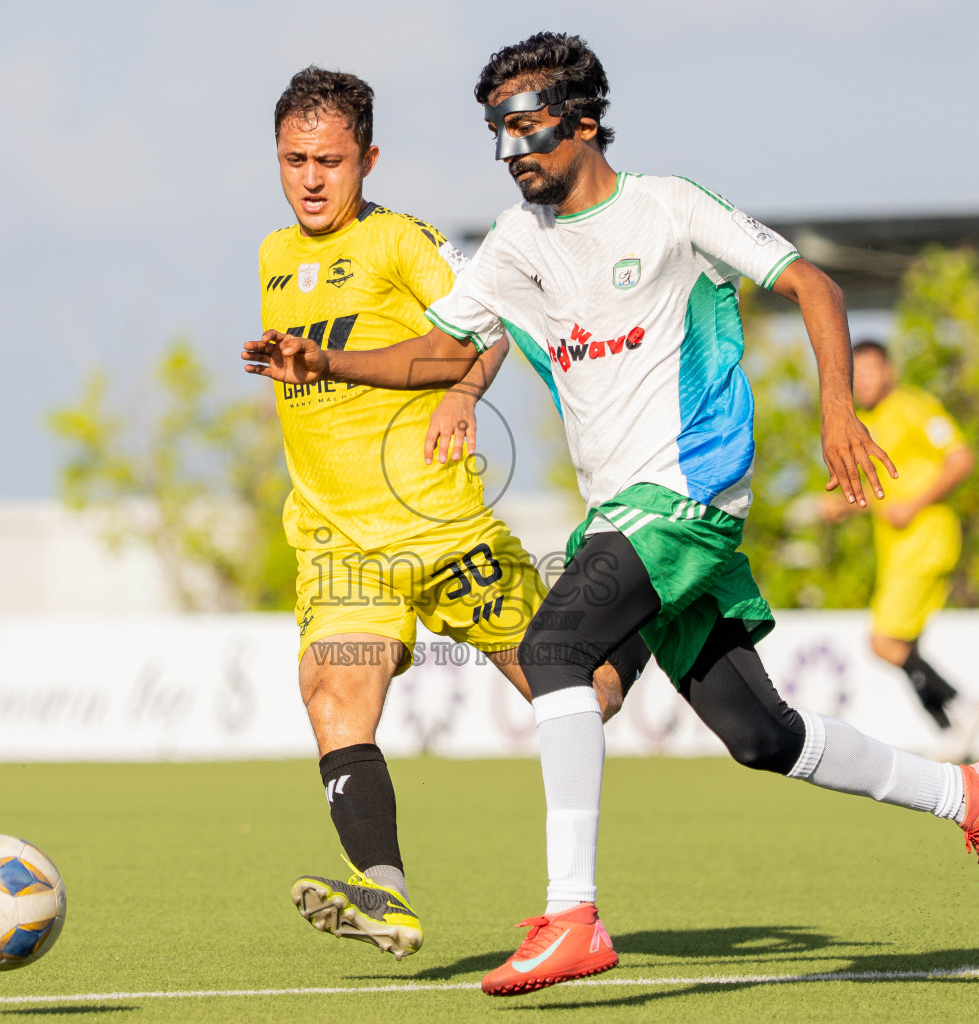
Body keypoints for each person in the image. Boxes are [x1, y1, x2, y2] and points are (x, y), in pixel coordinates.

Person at [245, 34, 979, 997]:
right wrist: (328, 364)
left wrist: (838, 410)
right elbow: (442, 354)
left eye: (527, 127)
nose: (512, 149)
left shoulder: (668, 207)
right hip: (623, 513)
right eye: (498, 131)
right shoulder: (516, 245)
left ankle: (571, 915)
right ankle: (971, 793)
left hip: (688, 500)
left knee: (554, 653)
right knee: (758, 734)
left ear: (583, 121)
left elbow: (812, 284)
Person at [255, 66, 649, 963]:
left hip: (443, 533)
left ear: (368, 158)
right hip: (338, 541)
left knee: (585, 694)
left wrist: (462, 392)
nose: (312, 178)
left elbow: (497, 316)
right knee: (331, 693)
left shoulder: (405, 242)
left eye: (331, 160)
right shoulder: (276, 256)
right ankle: (385, 895)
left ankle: (653, 609)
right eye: (294, 160)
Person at [821, 339, 979, 760]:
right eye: (859, 375)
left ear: (890, 371)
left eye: (873, 370)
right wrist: (845, 505)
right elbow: (885, 495)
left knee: (885, 642)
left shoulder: (915, 407)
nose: (867, 381)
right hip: (897, 550)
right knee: (902, 648)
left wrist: (915, 505)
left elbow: (960, 458)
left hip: (926, 540)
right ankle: (953, 735)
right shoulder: (865, 424)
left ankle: (963, 707)